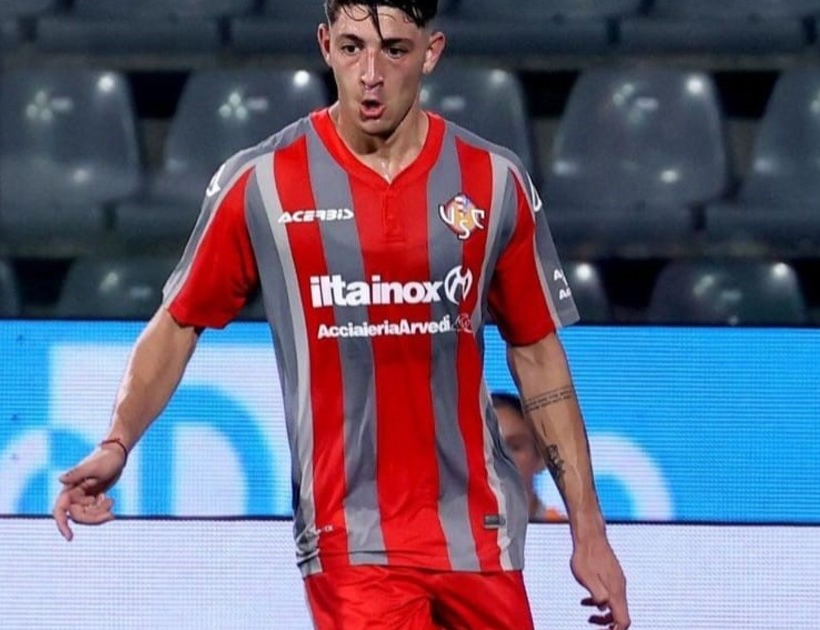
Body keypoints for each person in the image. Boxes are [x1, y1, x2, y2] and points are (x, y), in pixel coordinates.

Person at [52, 1, 630, 628]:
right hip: (350, 540)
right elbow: (177, 322)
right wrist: (117, 442)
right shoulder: (262, 183)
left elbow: (538, 353)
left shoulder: (493, 181)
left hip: (482, 534)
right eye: (353, 48)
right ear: (326, 45)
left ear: (431, 53)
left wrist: (589, 530)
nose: (370, 75)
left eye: (395, 50)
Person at [492, 391, 568, 523]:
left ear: (541, 457)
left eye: (514, 447)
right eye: (487, 447)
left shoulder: (564, 531)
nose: (500, 457)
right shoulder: (455, 531)